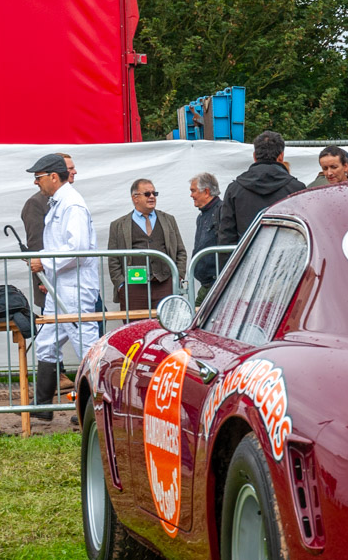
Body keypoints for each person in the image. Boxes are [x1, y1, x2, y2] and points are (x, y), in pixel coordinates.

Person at [26, 152, 100, 422]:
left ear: (53, 177)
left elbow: (77, 249)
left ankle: (93, 407)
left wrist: (44, 262)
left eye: (39, 177)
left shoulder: (72, 205)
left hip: (75, 286)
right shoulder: (60, 202)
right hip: (61, 285)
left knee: (86, 344)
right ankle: (42, 405)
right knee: (46, 343)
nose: (37, 182)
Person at [107, 179, 187, 313]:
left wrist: (177, 277)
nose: (152, 197)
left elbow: (180, 251)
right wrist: (122, 285)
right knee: (134, 329)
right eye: (147, 194)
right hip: (134, 288)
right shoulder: (118, 225)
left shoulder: (169, 220)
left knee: (167, 328)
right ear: (135, 198)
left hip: (165, 285)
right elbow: (113, 259)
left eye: (154, 193)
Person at [217, 130, 306, 246]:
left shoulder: (234, 189)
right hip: (286, 260)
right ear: (281, 156)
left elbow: (226, 236)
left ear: (254, 156)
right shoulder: (297, 189)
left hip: (245, 260)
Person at [21, 152, 73, 308]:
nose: (73, 172)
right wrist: (42, 279)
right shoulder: (36, 203)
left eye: (38, 178)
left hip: (68, 282)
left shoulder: (70, 201)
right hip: (51, 282)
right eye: (70, 168)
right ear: (55, 175)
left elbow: (77, 246)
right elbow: (36, 243)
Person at [189, 172, 224, 303]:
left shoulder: (222, 211)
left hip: (216, 284)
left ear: (206, 192)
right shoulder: (202, 216)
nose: (191, 195)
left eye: (193, 191)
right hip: (208, 284)